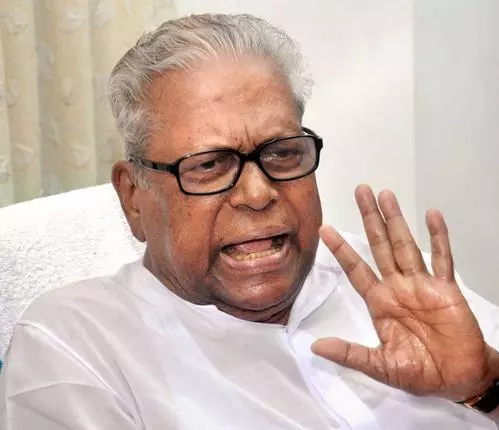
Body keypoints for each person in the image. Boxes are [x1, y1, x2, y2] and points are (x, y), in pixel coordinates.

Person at [1, 13, 498, 430]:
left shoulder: (399, 291)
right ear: (133, 198)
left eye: (281, 153)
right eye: (208, 165)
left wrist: (484, 386)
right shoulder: (75, 343)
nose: (258, 194)